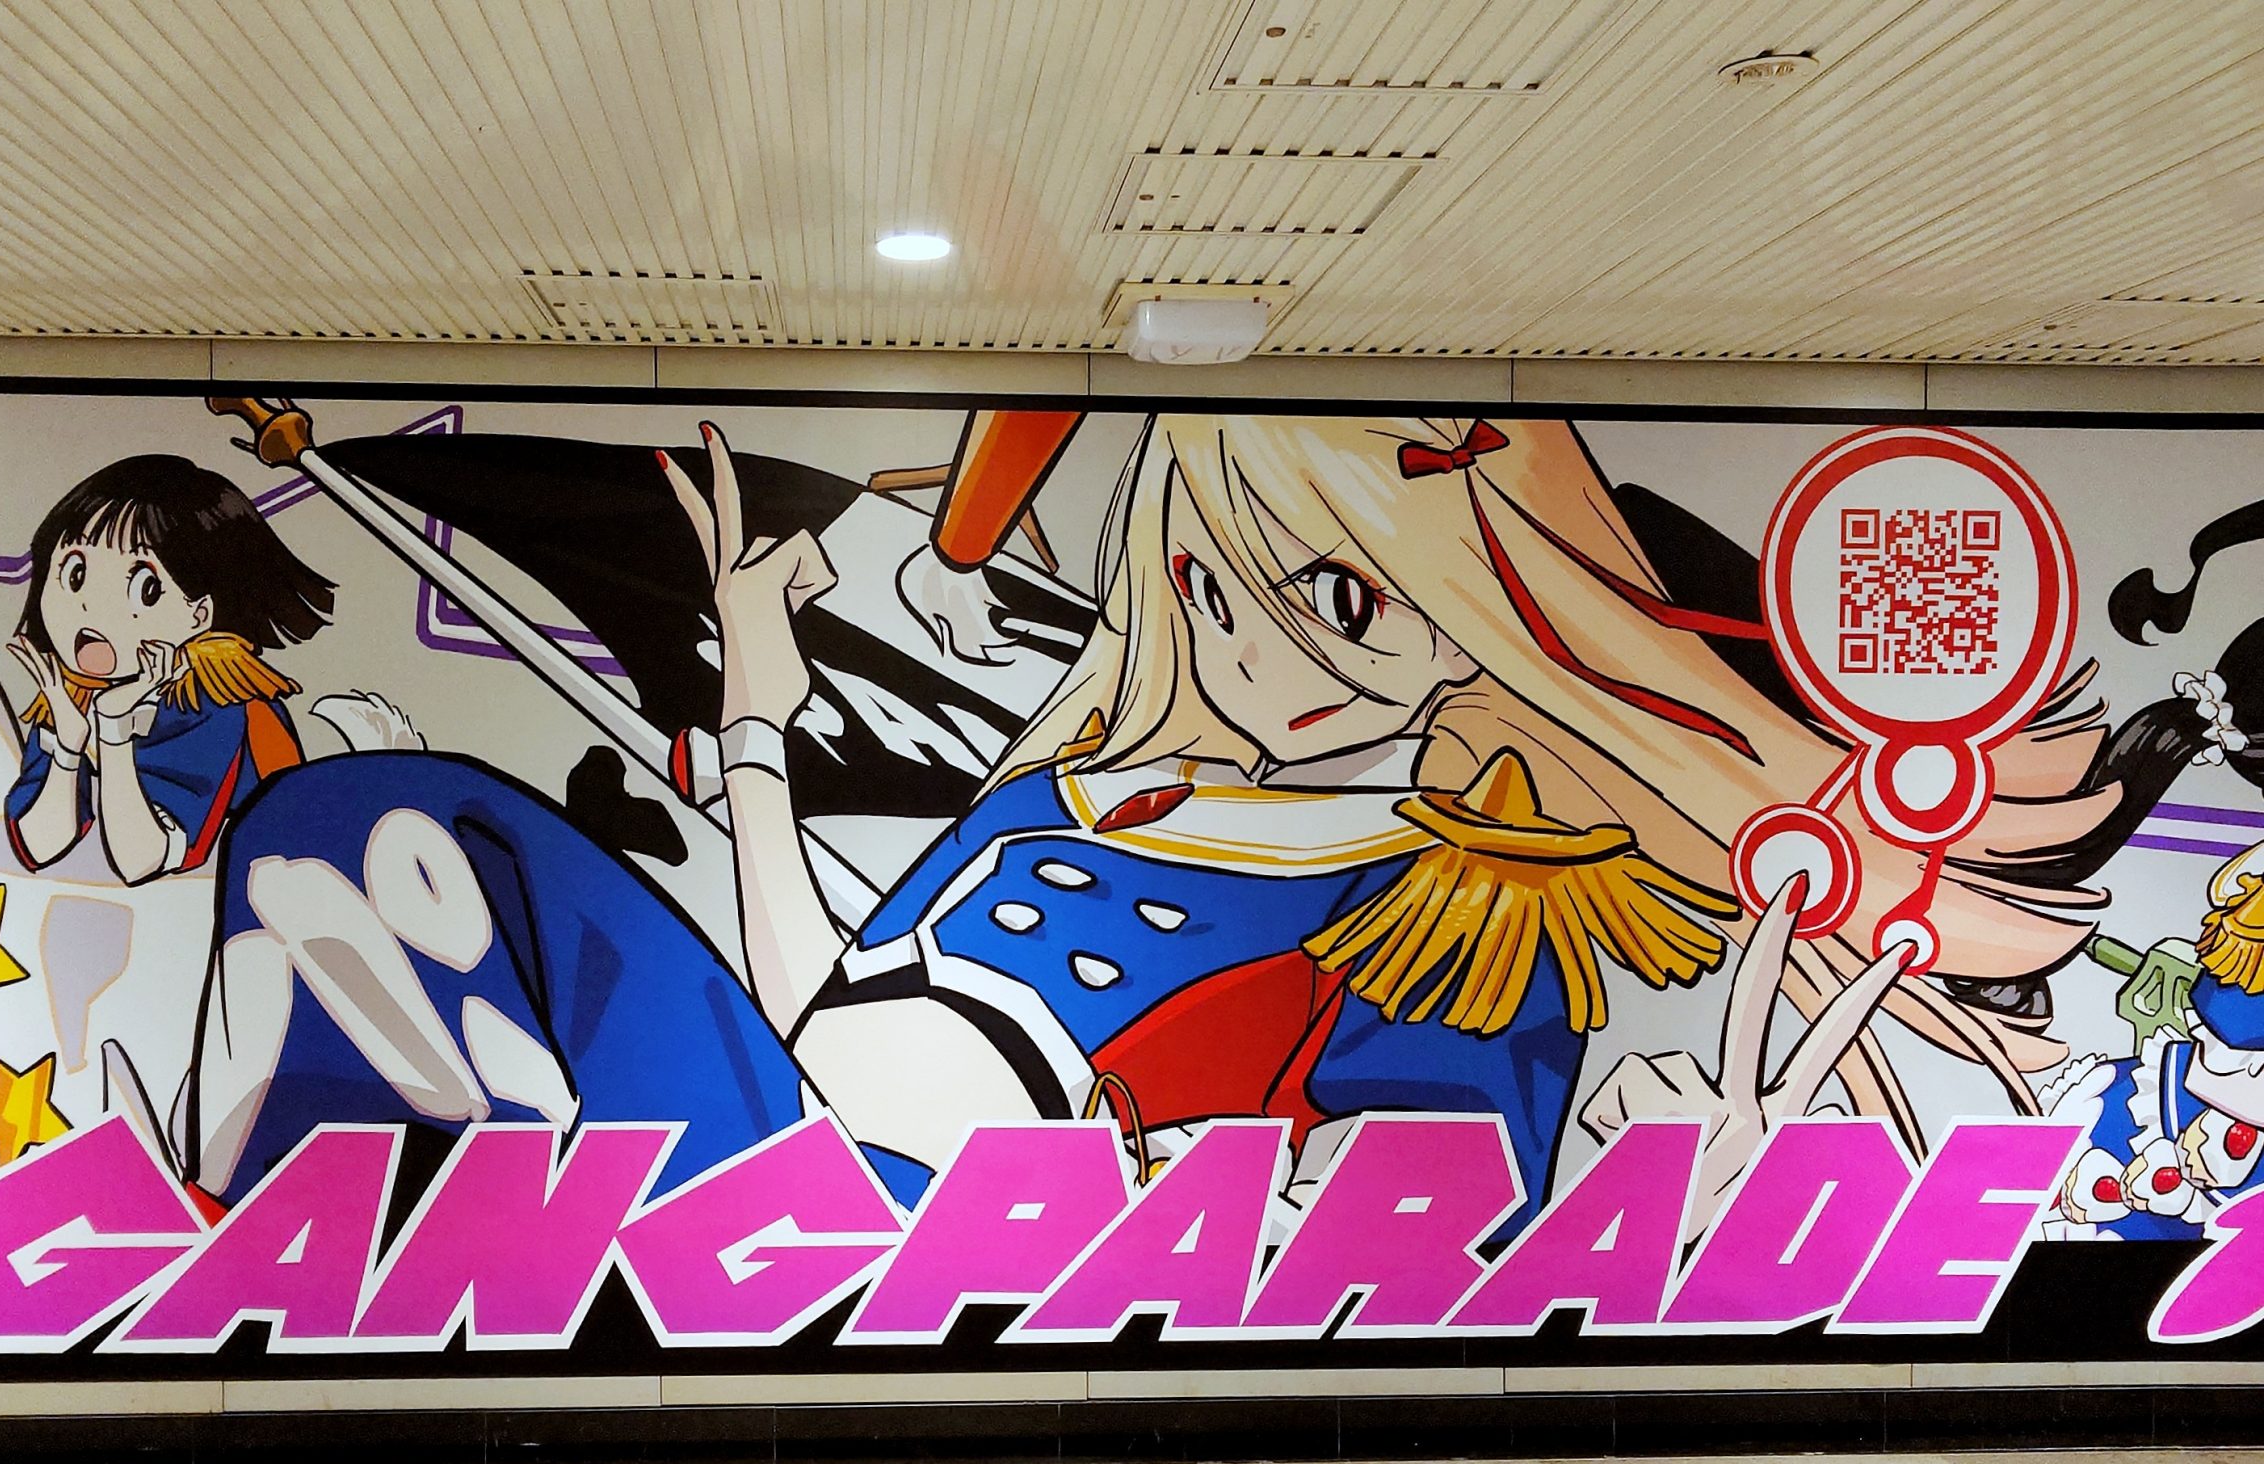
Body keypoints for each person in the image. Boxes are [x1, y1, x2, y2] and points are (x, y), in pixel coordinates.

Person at [185, 415, 2124, 1221]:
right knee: (370, 829)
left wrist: (1652, 1166)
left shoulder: (1453, 890)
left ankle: (379, 1249)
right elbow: (815, 1001)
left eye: (1347, 599)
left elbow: (1426, 1198)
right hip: (783, 1132)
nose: (1259, 641)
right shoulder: (1066, 793)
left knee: (377, 840)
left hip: (950, 1223)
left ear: (1470, 633)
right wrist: (755, 715)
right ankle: (300, 1256)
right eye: (1214, 574)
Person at [3, 455, 329, 883]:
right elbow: (39, 846)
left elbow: (139, 860)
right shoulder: (73, 695)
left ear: (200, 615)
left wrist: (114, 729)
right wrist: (68, 744)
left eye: (145, 587)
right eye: (76, 574)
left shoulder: (216, 702)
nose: (92, 609)